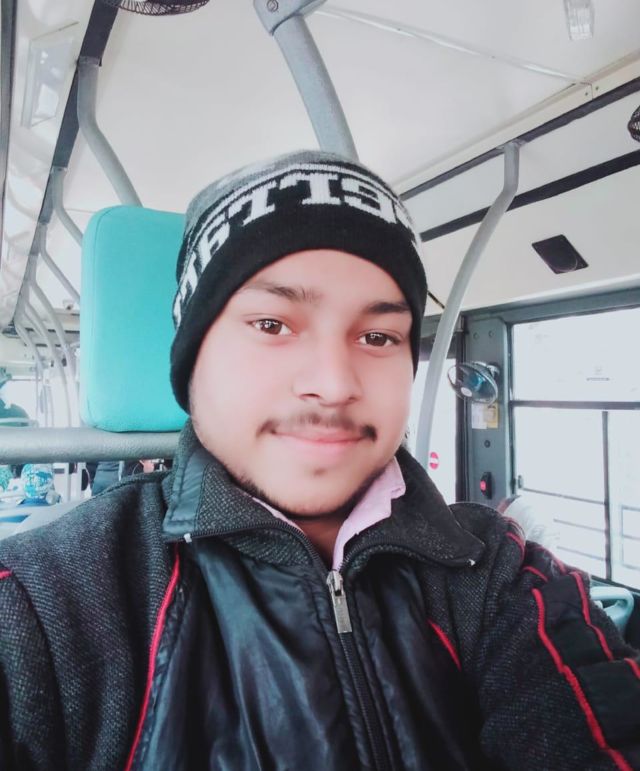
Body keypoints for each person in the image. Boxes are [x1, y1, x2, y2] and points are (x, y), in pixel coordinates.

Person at [0, 151, 638, 770]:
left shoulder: (498, 571)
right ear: (192, 360)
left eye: (378, 336)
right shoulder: (45, 603)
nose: (334, 384)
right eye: (272, 325)